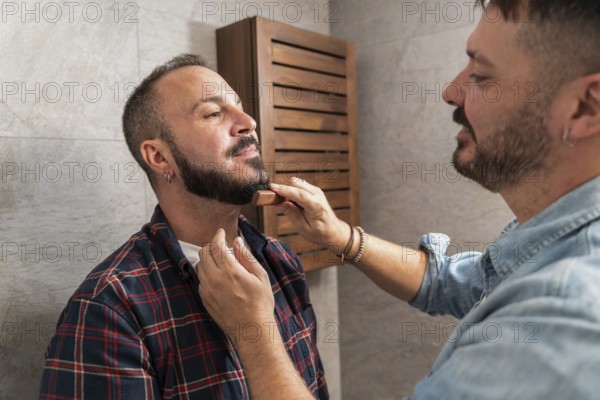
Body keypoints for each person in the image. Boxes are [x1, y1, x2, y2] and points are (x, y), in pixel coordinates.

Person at [196, 0, 600, 399]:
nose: (450, 91)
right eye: (211, 113)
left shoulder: (566, 317)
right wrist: (341, 238)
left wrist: (252, 332)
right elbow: (454, 284)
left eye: (480, 74)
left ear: (585, 107)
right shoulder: (554, 240)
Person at [38, 54, 329, 399]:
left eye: (239, 107)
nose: (249, 122)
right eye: (213, 113)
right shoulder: (109, 309)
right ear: (160, 158)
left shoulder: (282, 262)